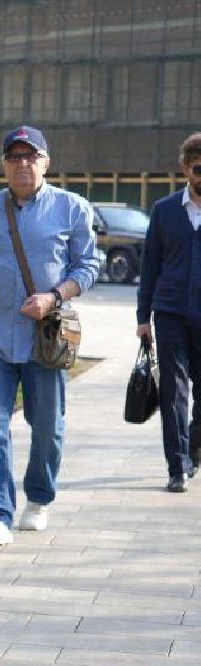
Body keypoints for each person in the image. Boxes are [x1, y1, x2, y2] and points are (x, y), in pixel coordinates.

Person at [0, 126, 101, 545]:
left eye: (31, 156)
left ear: (46, 162)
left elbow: (88, 266)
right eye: (14, 157)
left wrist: (53, 297)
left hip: (44, 340)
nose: (23, 163)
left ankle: (38, 498)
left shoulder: (72, 208)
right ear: (4, 166)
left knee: (46, 425)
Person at [135, 132, 201, 493]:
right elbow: (150, 267)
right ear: (185, 168)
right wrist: (143, 318)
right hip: (171, 311)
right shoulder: (164, 211)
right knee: (173, 390)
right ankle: (177, 466)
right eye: (199, 168)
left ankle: (192, 448)